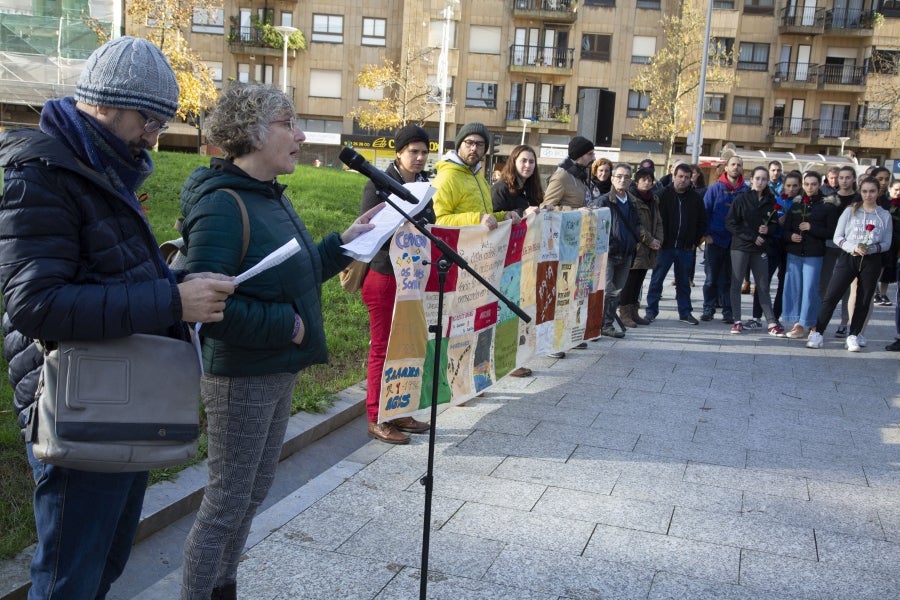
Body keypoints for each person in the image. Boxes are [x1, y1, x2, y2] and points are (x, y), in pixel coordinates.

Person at [0, 37, 236, 600]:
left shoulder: (100, 167)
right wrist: (171, 302)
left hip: (116, 397)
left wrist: (171, 279)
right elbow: (36, 305)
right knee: (68, 580)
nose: (156, 135)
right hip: (74, 404)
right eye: (149, 120)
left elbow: (103, 270)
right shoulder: (42, 174)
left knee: (102, 565)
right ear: (104, 104)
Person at [179, 83, 380, 599]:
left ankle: (225, 586)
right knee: (227, 501)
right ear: (251, 132)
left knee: (252, 494)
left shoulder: (270, 197)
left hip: (277, 368)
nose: (301, 134)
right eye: (288, 124)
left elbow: (297, 270)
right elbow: (205, 305)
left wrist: (345, 242)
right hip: (240, 376)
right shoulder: (223, 205)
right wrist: (285, 327)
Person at [360, 124, 434, 443]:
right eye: (412, 152)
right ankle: (377, 417)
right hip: (384, 274)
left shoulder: (424, 185)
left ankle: (399, 409)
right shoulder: (377, 184)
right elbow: (367, 230)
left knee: (406, 347)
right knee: (383, 348)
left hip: (413, 275)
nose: (418, 158)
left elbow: (431, 223)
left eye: (423, 152)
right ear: (399, 153)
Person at [807, 176, 893, 351]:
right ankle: (818, 332)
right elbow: (838, 237)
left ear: (878, 192)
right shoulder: (850, 211)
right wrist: (852, 247)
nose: (868, 195)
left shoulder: (884, 215)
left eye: (872, 191)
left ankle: (854, 334)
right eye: (865, 191)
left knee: (863, 298)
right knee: (832, 295)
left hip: (871, 260)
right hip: (849, 257)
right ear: (860, 191)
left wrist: (871, 249)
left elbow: (886, 243)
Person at [725, 166, 785, 336]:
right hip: (741, 247)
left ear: (767, 182)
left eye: (763, 179)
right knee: (736, 283)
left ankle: (771, 322)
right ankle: (737, 321)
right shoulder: (741, 199)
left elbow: (774, 225)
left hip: (760, 249)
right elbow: (730, 223)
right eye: (757, 178)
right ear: (751, 180)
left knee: (763, 285)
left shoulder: (771, 201)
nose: (760, 182)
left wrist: (769, 230)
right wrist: (752, 236)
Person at [646, 162, 707, 324]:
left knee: (684, 283)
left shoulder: (695, 198)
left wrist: (694, 241)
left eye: (687, 177)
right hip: (664, 247)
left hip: (685, 248)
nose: (683, 180)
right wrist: (655, 239)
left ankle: (685, 313)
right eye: (680, 176)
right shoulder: (661, 195)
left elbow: (702, 221)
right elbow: (652, 220)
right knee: (656, 280)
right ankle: (651, 311)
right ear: (673, 176)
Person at [780, 171, 839, 339]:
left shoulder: (827, 205)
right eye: (807, 184)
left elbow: (831, 232)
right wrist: (790, 236)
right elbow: (786, 230)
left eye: (813, 184)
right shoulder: (797, 204)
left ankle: (812, 322)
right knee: (794, 289)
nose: (810, 187)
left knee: (810, 289)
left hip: (814, 254)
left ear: (819, 184)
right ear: (803, 185)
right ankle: (797, 324)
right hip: (795, 253)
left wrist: (812, 228)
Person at [433, 122, 520, 229]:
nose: (474, 148)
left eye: (479, 144)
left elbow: (486, 218)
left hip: (481, 244)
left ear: (484, 149)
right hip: (455, 245)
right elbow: (437, 221)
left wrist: (504, 216)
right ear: (459, 145)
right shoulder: (446, 177)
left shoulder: (479, 177)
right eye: (469, 142)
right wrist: (477, 219)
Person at [598, 163, 642, 338]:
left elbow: (638, 224)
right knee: (606, 290)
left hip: (627, 252)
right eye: (619, 176)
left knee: (617, 291)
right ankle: (599, 325)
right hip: (609, 253)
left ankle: (607, 324)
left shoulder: (632, 201)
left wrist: (635, 241)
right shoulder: (603, 201)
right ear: (612, 178)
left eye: (627, 177)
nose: (623, 180)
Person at [702, 155, 748, 324]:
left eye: (739, 165)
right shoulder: (715, 188)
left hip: (736, 243)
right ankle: (708, 307)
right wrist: (706, 235)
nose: (736, 167)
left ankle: (729, 311)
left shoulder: (746, 191)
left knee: (732, 279)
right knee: (711, 278)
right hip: (715, 240)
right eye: (733, 164)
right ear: (726, 168)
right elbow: (705, 212)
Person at [618, 167, 662, 327]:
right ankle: (624, 314)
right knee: (630, 282)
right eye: (643, 179)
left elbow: (658, 221)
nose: (647, 182)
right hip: (636, 246)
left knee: (639, 282)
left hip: (649, 247)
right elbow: (636, 225)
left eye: (650, 180)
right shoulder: (631, 199)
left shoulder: (654, 199)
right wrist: (649, 240)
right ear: (636, 182)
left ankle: (634, 312)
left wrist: (658, 239)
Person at [821, 165, 858, 336]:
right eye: (841, 177)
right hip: (831, 246)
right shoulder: (829, 198)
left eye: (847, 177)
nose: (843, 181)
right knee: (827, 285)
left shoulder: (859, 199)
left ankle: (844, 321)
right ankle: (820, 322)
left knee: (848, 288)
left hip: (851, 249)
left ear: (853, 179)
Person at [542, 135, 596, 209]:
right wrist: (577, 211)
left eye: (593, 154)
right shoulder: (561, 177)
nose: (594, 158)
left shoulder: (582, 176)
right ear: (578, 155)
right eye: (590, 154)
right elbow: (545, 208)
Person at [491, 144, 544, 218]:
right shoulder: (500, 188)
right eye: (523, 161)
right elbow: (494, 218)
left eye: (531, 162)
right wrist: (523, 213)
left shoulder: (533, 188)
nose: (528, 165)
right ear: (514, 163)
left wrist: (544, 210)